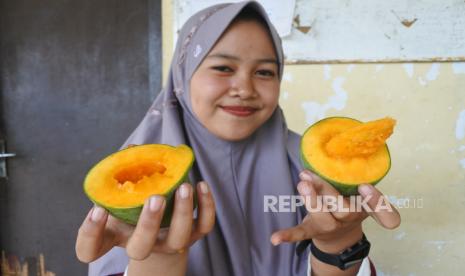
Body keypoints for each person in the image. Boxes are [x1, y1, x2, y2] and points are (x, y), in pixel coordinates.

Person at [75, 1, 401, 275]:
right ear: (183, 74)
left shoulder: (312, 169)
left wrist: (338, 243)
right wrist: (160, 255)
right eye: (222, 68)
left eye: (264, 72)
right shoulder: (136, 178)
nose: (244, 89)